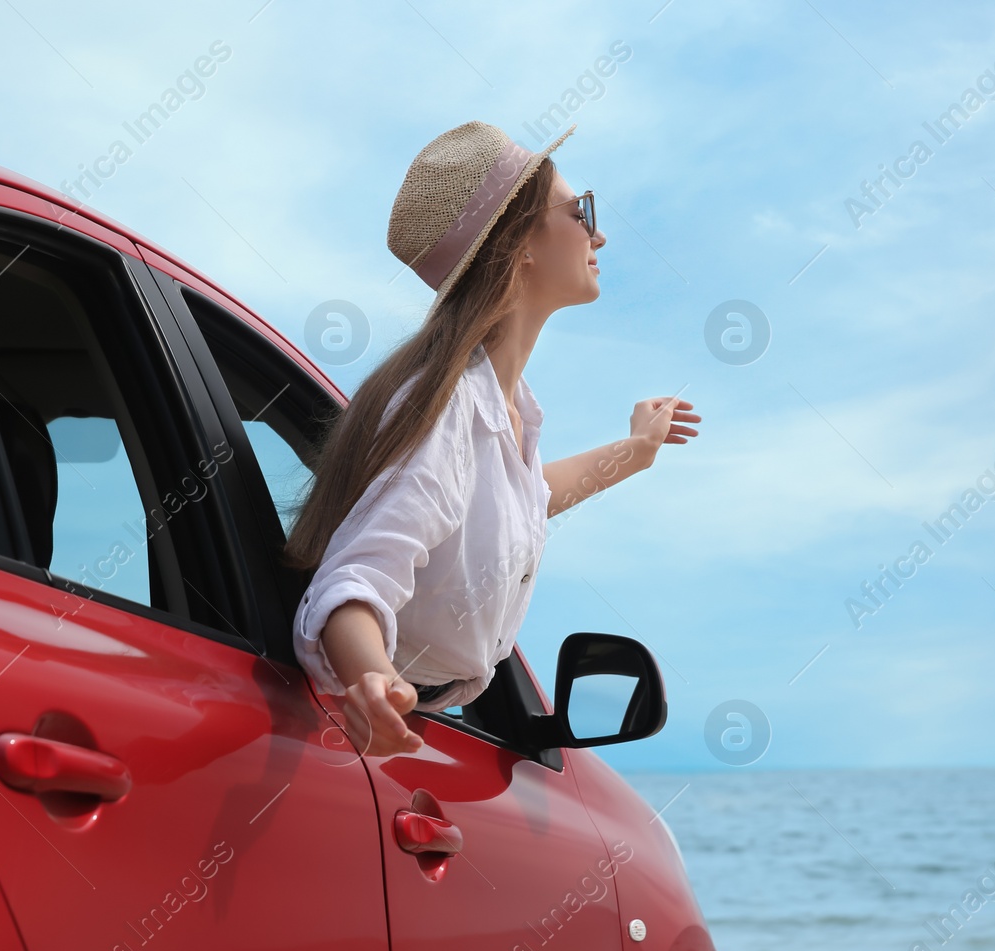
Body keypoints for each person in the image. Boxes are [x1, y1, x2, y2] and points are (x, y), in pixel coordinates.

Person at [284, 119, 700, 757]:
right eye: (580, 210)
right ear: (520, 245)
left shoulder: (498, 407)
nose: (600, 232)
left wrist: (635, 452)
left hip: (430, 725)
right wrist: (373, 680)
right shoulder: (447, 412)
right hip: (390, 733)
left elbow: (521, 496)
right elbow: (356, 580)